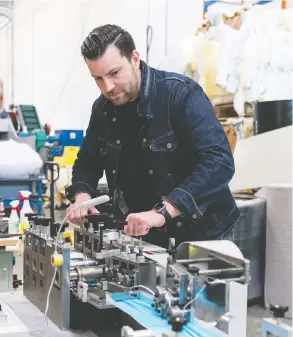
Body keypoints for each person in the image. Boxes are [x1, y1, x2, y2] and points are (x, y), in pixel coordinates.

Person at [66, 24, 240, 248]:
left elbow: (219, 162)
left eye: (114, 73)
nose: (107, 87)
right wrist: (82, 197)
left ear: (135, 59)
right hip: (146, 234)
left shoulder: (180, 94)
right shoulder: (103, 108)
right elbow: (88, 161)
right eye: (98, 78)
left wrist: (162, 211)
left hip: (204, 233)